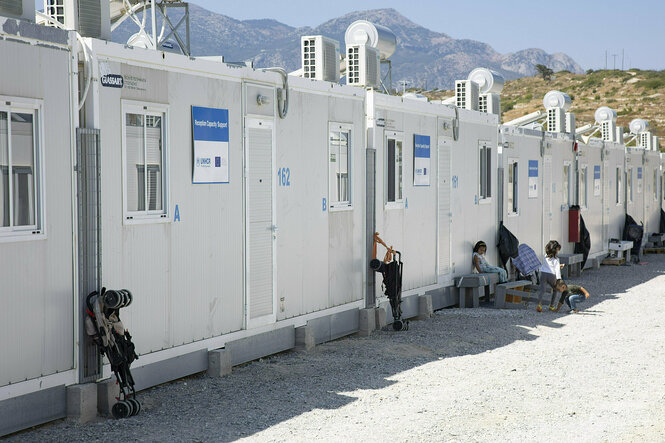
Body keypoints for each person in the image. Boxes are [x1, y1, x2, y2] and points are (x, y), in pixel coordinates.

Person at [536, 240, 565, 313]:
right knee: (555, 289)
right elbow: (557, 270)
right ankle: (551, 306)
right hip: (552, 275)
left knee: (542, 290)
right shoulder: (556, 259)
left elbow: (549, 265)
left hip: (543, 273)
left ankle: (539, 305)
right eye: (558, 250)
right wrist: (559, 280)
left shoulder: (545, 256)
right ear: (555, 250)